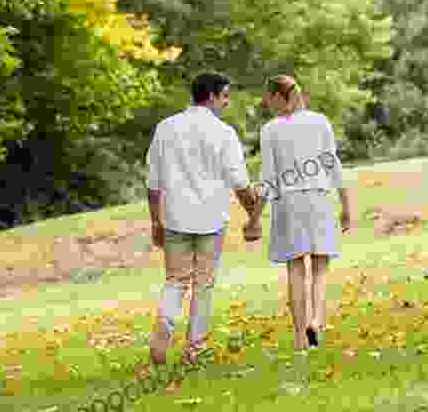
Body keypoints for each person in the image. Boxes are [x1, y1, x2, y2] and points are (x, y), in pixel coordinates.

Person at [146, 72, 261, 365]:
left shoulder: (166, 128)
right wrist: (254, 217)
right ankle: (194, 351)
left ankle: (164, 329)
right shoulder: (224, 133)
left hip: (174, 218)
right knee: (203, 284)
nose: (226, 102)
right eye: (224, 96)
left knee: (175, 281)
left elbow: (154, 182)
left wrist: (155, 222)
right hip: (211, 219)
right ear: (210, 96)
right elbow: (240, 182)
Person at [244, 75, 351, 351]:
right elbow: (333, 166)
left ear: (281, 97)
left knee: (295, 269)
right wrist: (346, 206)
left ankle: (300, 338)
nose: (270, 106)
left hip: (288, 204)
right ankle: (316, 320)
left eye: (271, 100)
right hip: (318, 199)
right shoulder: (320, 122)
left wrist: (254, 220)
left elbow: (268, 179)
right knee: (320, 268)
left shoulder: (270, 130)